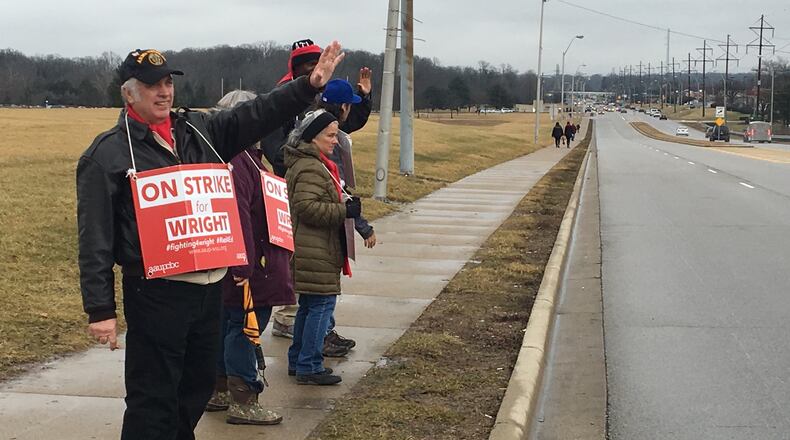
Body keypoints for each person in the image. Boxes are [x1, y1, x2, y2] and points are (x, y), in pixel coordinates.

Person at [77, 44, 343, 439]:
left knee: (196, 388)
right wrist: (100, 309)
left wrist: (307, 86)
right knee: (153, 396)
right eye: (152, 85)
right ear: (128, 93)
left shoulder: (199, 130)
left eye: (168, 82)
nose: (164, 92)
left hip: (208, 291)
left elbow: (257, 114)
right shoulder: (109, 154)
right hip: (155, 292)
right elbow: (94, 237)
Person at [268, 39, 372, 344]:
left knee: (319, 279)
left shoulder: (319, 101)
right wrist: (298, 168)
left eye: (318, 62)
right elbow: (277, 145)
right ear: (295, 68)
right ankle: (299, 332)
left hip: (319, 187)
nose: (314, 69)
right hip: (298, 186)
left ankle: (318, 335)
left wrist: (364, 98)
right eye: (307, 64)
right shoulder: (286, 98)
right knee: (304, 271)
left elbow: (346, 123)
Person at [204, 90, 295, 425]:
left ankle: (220, 389)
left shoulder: (239, 157)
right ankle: (244, 399)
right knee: (245, 328)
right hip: (249, 265)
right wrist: (243, 264)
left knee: (229, 324)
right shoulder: (239, 161)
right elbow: (238, 214)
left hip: (242, 261)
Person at [283, 109, 361, 385]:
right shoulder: (310, 166)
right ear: (312, 137)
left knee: (309, 306)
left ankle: (298, 360)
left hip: (313, 247)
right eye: (330, 135)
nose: (335, 141)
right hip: (314, 248)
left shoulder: (312, 163)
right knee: (321, 306)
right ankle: (309, 365)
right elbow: (306, 208)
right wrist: (344, 210)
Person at [313, 78, 376, 357]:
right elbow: (339, 189)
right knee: (322, 291)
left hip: (321, 219)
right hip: (323, 224)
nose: (351, 110)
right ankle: (319, 342)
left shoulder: (318, 126)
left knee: (319, 292)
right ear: (342, 106)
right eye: (350, 104)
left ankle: (324, 334)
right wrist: (363, 226)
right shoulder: (329, 140)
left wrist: (366, 95)